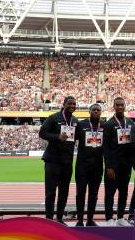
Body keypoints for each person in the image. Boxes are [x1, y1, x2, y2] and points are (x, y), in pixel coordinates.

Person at [38, 96, 78, 225]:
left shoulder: (75, 121)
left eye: (74, 104)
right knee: (50, 192)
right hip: (52, 161)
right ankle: (49, 219)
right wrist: (57, 137)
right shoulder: (54, 117)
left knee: (64, 192)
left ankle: (59, 218)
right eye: (70, 104)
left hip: (67, 162)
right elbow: (42, 133)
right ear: (64, 104)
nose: (72, 106)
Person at [102, 97, 133, 227]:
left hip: (126, 164)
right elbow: (105, 147)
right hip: (113, 165)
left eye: (122, 105)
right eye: (117, 105)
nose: (120, 107)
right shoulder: (108, 124)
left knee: (124, 192)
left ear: (125, 106)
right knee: (110, 192)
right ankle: (109, 218)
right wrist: (108, 166)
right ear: (113, 107)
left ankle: (120, 217)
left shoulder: (130, 122)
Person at [74, 103, 105, 227]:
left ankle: (90, 220)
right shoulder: (81, 125)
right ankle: (80, 220)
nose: (96, 112)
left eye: (98, 110)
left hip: (97, 166)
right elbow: (72, 140)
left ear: (101, 112)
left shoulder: (104, 126)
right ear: (89, 112)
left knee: (93, 195)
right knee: (80, 194)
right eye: (94, 110)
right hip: (82, 165)